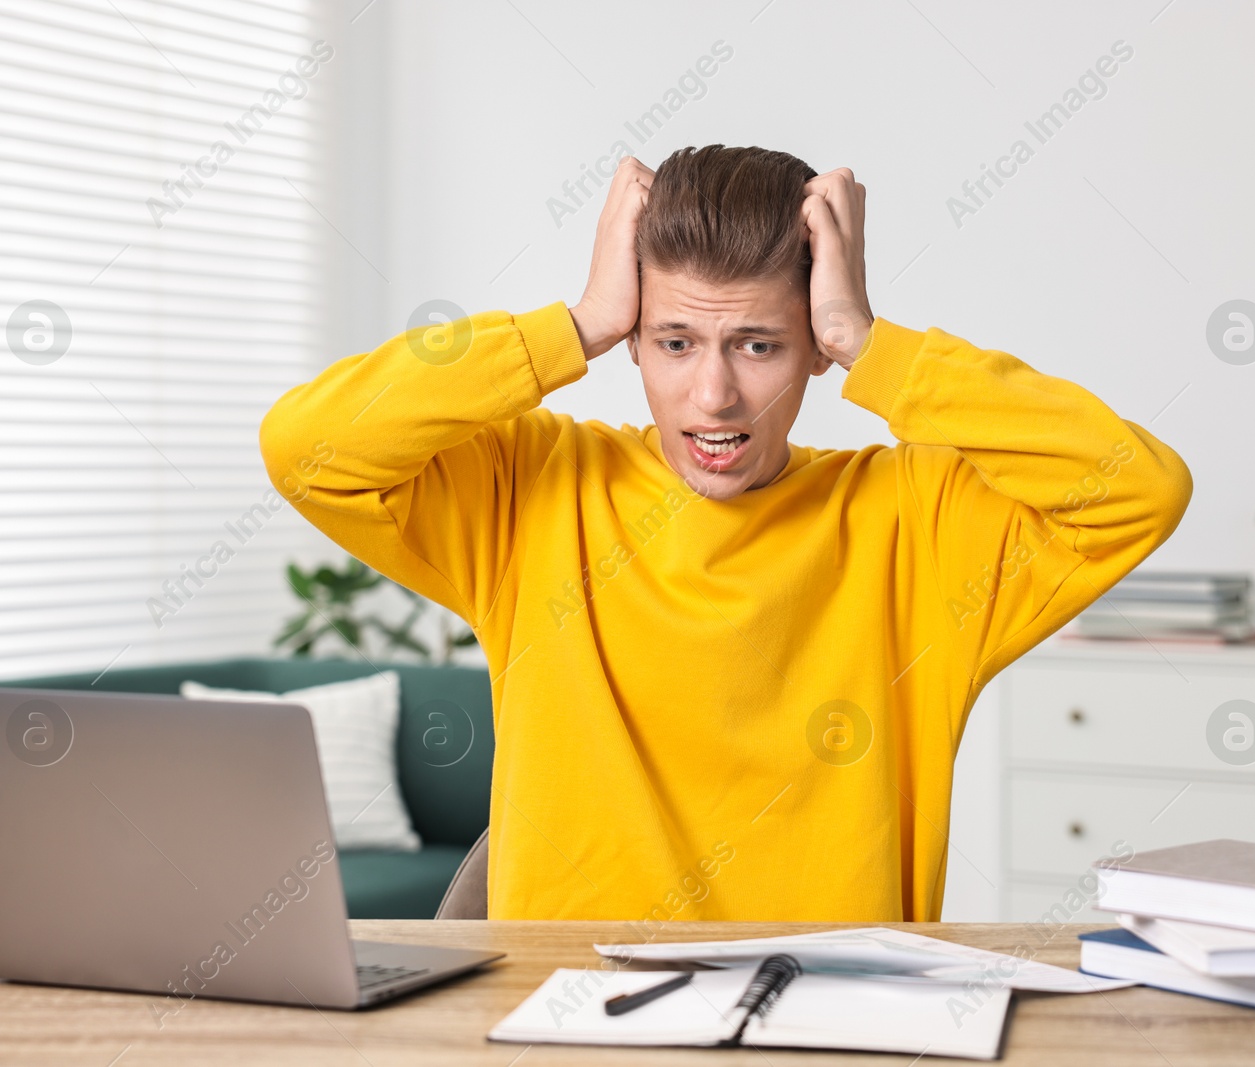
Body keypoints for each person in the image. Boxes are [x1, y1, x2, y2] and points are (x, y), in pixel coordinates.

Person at [260, 145, 1192, 922]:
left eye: (759, 344)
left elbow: (1137, 487)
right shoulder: (535, 488)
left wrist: (872, 341)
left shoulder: (915, 523)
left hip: (826, 1024)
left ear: (817, 352)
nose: (713, 397)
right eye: (674, 343)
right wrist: (573, 325)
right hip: (565, 1022)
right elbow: (308, 447)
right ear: (632, 339)